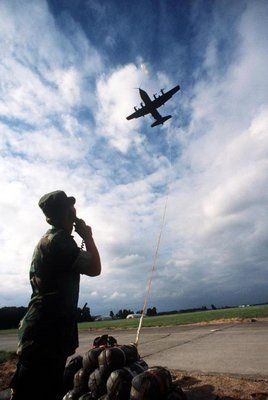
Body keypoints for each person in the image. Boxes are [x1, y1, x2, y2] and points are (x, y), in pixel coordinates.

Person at [9, 190, 101, 400]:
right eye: (71, 207)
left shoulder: (52, 239)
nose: (75, 210)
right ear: (67, 214)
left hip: (43, 332)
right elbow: (95, 268)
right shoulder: (59, 241)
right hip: (46, 335)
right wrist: (87, 236)